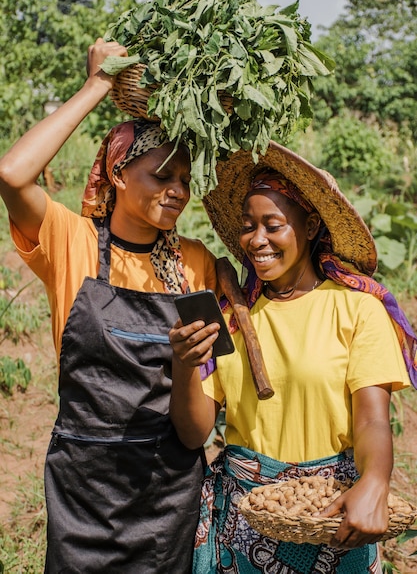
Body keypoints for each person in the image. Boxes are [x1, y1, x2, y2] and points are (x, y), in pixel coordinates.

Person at [0, 38, 218, 573]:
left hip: (167, 493)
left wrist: (188, 364)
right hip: (84, 489)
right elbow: (11, 174)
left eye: (185, 181)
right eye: (161, 176)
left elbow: (198, 430)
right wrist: (98, 85)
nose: (177, 191)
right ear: (118, 173)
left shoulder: (196, 264)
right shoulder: (69, 242)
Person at [168, 141, 417, 573]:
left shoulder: (357, 310)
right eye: (248, 226)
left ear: (310, 225)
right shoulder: (232, 317)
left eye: (273, 225)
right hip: (247, 522)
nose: (256, 240)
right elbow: (194, 434)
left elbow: (373, 420)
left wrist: (374, 480)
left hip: (330, 515)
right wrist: (184, 363)